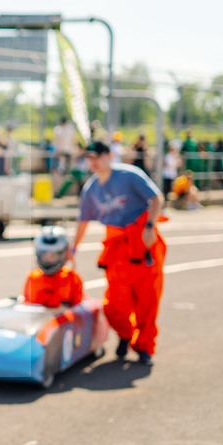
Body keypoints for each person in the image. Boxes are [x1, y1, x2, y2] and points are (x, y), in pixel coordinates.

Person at [71, 140, 166, 366]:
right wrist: (73, 248)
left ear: (108, 156)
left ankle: (144, 347)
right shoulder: (91, 189)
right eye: (89, 158)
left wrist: (150, 226)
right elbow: (83, 220)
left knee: (147, 302)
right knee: (114, 305)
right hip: (116, 249)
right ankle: (125, 334)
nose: (93, 162)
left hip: (143, 245)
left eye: (97, 157)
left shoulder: (129, 175)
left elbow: (157, 199)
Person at [22, 226, 84, 308]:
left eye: (53, 256)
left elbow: (78, 311)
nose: (48, 259)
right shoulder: (33, 278)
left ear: (64, 253)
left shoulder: (71, 278)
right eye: (44, 255)